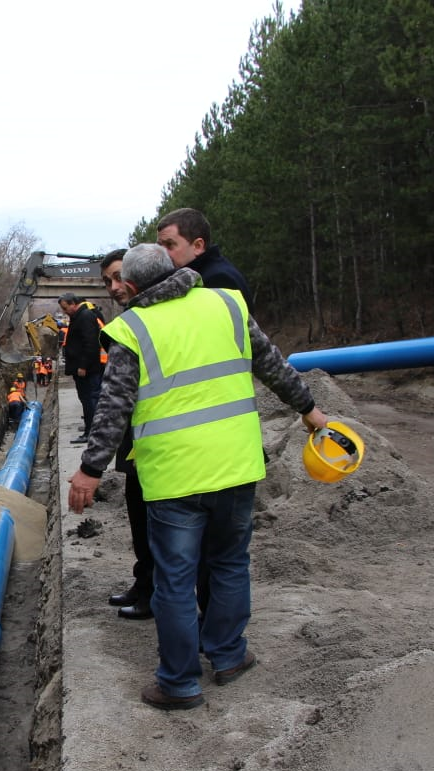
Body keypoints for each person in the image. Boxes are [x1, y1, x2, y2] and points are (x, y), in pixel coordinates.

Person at [67, 244, 328, 711]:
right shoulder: (227, 304)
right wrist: (309, 410)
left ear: (129, 286)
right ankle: (228, 656)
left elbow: (113, 409)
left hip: (174, 477)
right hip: (235, 466)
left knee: (174, 580)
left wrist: (90, 471)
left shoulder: (132, 328)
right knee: (228, 565)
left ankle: (180, 683)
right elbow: (272, 365)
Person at [156, 207, 253, 619]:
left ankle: (202, 651)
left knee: (204, 566)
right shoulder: (196, 284)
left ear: (198, 245)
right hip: (224, 450)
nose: (165, 255)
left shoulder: (220, 285)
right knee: (222, 562)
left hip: (207, 453)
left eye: (170, 245)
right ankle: (224, 649)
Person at [97, 247, 154, 620]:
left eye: (119, 277)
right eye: (107, 282)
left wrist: (90, 467)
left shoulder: (140, 325)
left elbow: (114, 401)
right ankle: (144, 584)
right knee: (140, 523)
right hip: (139, 443)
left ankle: (153, 595)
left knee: (157, 530)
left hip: (157, 445)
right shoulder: (127, 321)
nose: (114, 288)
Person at [155, 207, 254, 308]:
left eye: (169, 245)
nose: (162, 252)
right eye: (159, 246)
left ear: (198, 246)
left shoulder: (218, 280)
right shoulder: (204, 273)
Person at [58, 292, 104, 444]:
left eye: (65, 308)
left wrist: (83, 365)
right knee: (87, 400)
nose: (64, 312)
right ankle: (90, 429)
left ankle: (92, 432)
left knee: (90, 399)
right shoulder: (79, 316)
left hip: (88, 369)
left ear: (73, 304)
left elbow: (90, 343)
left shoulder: (84, 317)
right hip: (84, 368)